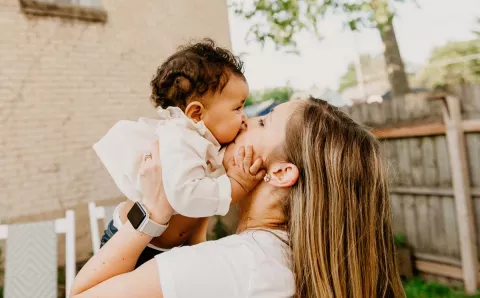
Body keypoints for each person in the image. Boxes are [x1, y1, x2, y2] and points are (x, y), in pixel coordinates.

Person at [70, 97, 405, 298]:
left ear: (281, 173)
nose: (243, 122)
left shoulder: (240, 264)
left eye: (262, 121)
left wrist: (152, 211)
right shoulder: (288, 258)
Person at [93, 39, 264, 267]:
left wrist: (198, 247)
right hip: (134, 243)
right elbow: (186, 195)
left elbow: (199, 212)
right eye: (237, 108)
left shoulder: (208, 144)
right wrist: (237, 185)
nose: (244, 117)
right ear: (196, 114)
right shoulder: (180, 139)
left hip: (168, 248)